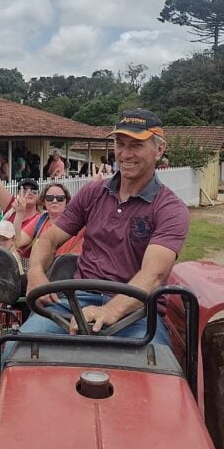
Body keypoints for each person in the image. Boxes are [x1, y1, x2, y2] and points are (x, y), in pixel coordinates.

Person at [22, 109, 190, 347]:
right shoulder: (93, 192)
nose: (125, 153)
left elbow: (154, 275)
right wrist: (36, 272)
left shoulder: (170, 209)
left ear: (159, 150)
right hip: (77, 299)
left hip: (138, 311)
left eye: (136, 145)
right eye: (120, 144)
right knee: (16, 351)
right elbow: (49, 239)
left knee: (158, 376)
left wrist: (111, 310)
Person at [14, 183, 84, 257]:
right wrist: (19, 213)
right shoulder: (39, 221)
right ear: (44, 202)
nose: (54, 201)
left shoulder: (77, 222)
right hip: (41, 267)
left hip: (68, 266)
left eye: (60, 198)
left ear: (66, 202)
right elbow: (17, 241)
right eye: (49, 198)